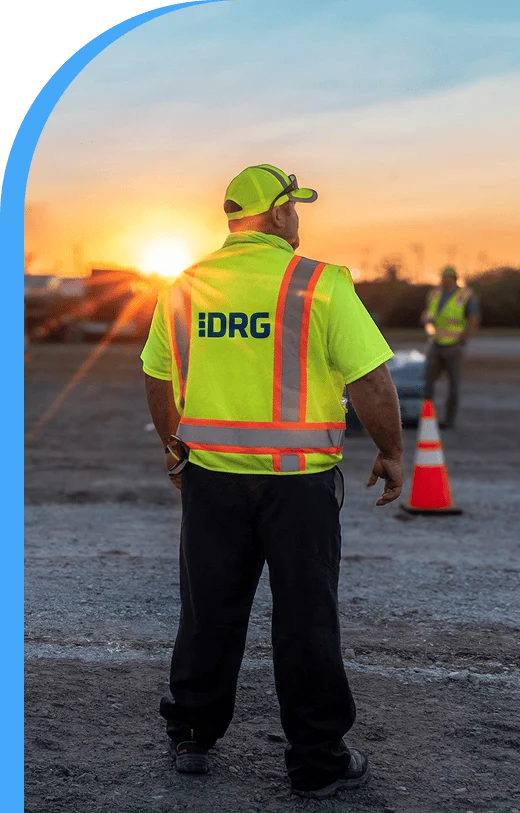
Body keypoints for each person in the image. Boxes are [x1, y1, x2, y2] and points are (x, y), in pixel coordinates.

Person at [140, 163, 404, 800]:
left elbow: (157, 375)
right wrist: (391, 450)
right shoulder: (319, 283)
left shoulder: (184, 286)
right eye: (296, 206)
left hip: (211, 481)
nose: (298, 215)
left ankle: (192, 735)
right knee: (306, 619)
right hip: (298, 485)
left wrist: (174, 449)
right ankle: (316, 760)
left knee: (208, 611)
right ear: (281, 212)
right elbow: (370, 379)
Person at [420, 265, 480, 428]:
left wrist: (464, 337)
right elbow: (428, 315)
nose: (444, 281)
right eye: (443, 277)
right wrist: (427, 325)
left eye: (447, 278)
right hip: (435, 343)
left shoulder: (465, 295)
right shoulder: (434, 294)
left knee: (453, 385)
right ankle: (427, 418)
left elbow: (473, 318)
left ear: (454, 279)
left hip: (454, 346)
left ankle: (449, 420)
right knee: (427, 384)